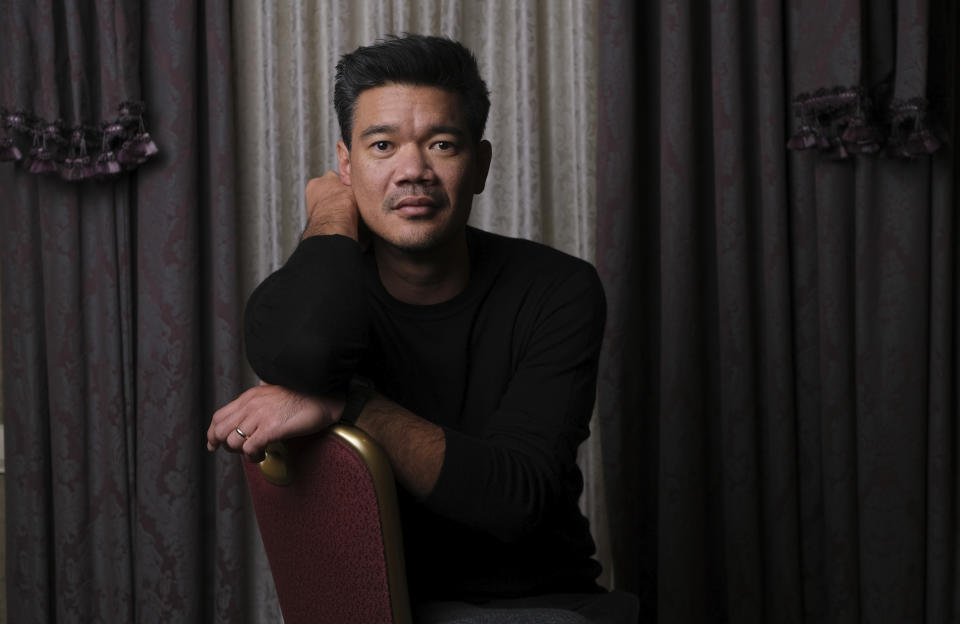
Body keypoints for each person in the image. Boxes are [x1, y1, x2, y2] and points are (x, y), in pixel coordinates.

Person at [207, 34, 638, 624]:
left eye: (441, 143)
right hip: (378, 611)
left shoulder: (558, 289)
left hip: (540, 604)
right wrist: (332, 211)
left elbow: (516, 500)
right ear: (346, 164)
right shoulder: (314, 300)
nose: (413, 171)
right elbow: (306, 351)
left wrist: (349, 404)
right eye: (382, 146)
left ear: (480, 165)